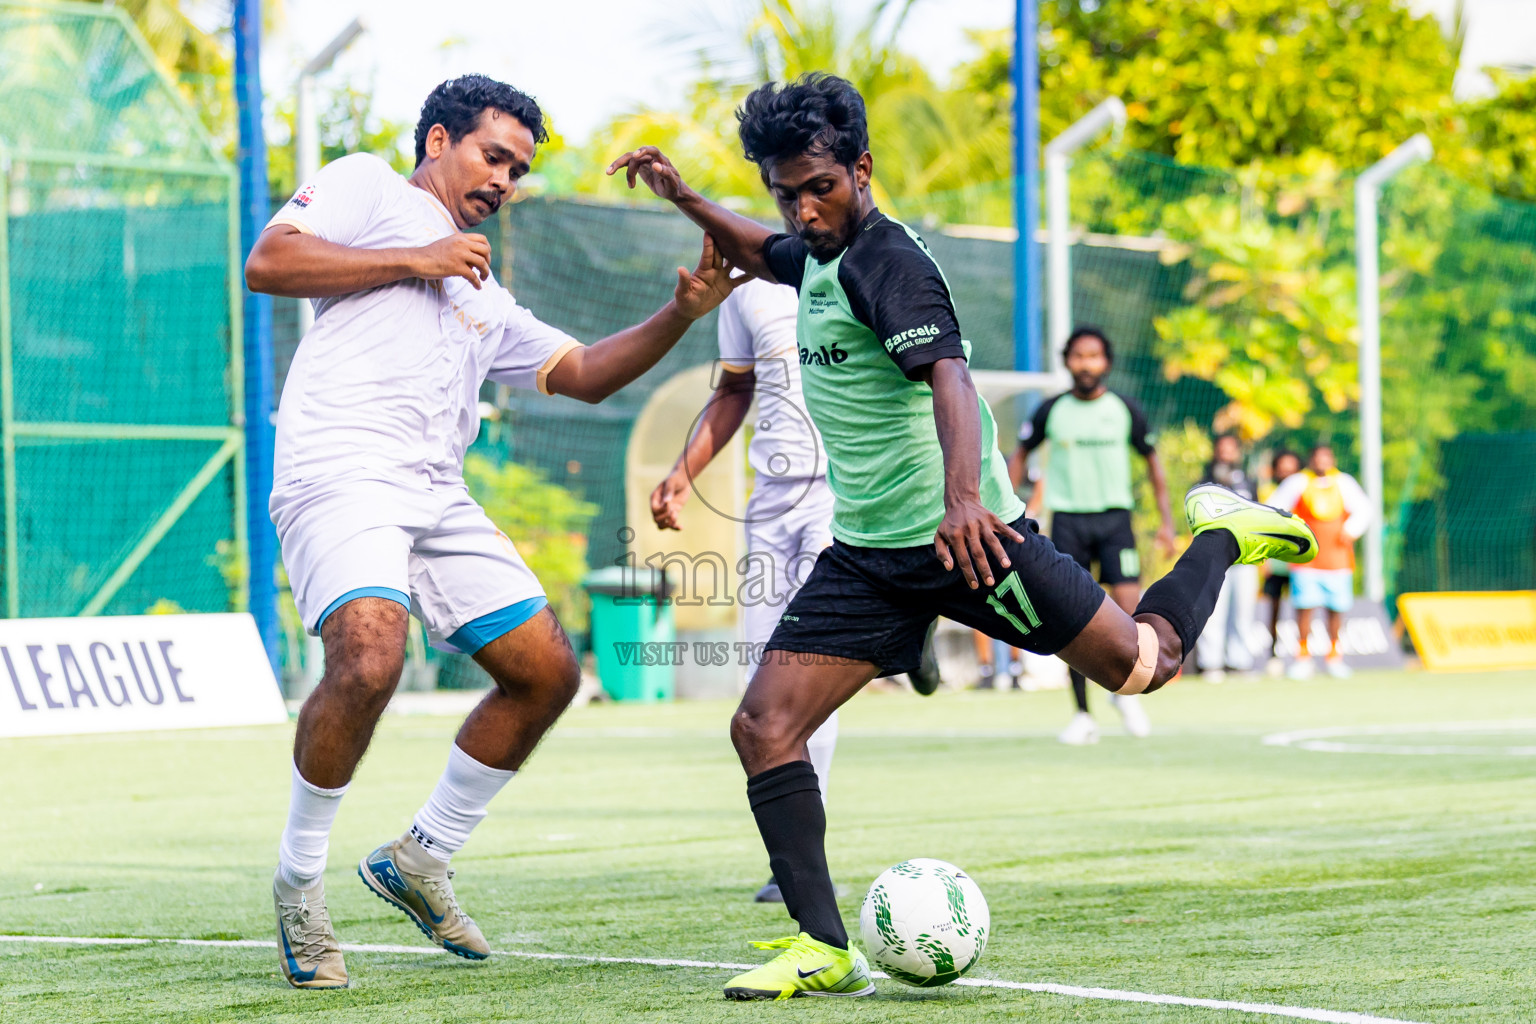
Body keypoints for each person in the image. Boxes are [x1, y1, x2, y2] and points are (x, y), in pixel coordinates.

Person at [608, 72, 1316, 1001]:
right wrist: (686, 197)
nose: (804, 210)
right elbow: (761, 249)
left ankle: (1222, 531)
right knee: (762, 727)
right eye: (787, 193)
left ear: (860, 169)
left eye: (820, 187)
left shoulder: (888, 262)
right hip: (866, 558)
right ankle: (822, 948)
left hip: (970, 541)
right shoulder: (813, 253)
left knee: (1143, 663)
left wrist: (959, 500)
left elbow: (946, 375)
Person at [244, 75, 741, 989]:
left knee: (548, 673)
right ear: (438, 141)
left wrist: (682, 313)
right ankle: (298, 883)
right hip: (339, 472)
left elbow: (583, 373)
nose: (504, 178)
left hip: (436, 494)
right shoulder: (367, 185)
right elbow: (269, 263)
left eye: (517, 168)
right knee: (369, 658)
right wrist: (417, 259)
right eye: (492, 155)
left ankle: (420, 857)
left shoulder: (483, 290)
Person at [648, 268, 843, 905]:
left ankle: (801, 861)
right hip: (768, 507)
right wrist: (683, 473)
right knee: (762, 684)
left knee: (809, 670)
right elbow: (734, 390)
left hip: (841, 497)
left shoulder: (867, 262)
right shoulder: (749, 289)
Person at [1012, 327, 1175, 743]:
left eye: (1094, 356)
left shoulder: (1124, 409)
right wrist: (1005, 510)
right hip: (1068, 521)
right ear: (1067, 361)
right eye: (1079, 356)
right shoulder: (1051, 411)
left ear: (1106, 362)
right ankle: (1083, 713)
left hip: (1115, 521)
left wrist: (1167, 522)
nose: (1086, 364)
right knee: (1072, 618)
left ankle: (1127, 691)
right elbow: (1020, 456)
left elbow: (1153, 464)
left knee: (1130, 608)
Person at [1269, 444, 1370, 680]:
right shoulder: (1297, 483)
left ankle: (1334, 657)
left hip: (1338, 559)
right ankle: (1303, 657)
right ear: (1311, 460)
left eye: (1326, 457)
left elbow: (1365, 509)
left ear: (1332, 459)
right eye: (1318, 457)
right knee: (1304, 608)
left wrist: (1351, 530)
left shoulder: (1344, 482)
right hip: (1306, 560)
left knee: (1336, 609)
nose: (1322, 461)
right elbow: (1274, 508)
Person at [1194, 434, 1260, 681]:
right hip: (1215, 557)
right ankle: (1211, 663)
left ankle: (1240, 661)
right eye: (1222, 449)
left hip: (1245, 556)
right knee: (1214, 611)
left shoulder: (1248, 482)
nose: (1226, 454)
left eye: (1231, 449)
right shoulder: (1205, 483)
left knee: (1243, 612)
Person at [1260, 450, 1303, 676]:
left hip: (1299, 561)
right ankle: (1272, 654)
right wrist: (1264, 559)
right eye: (1282, 467)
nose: (1287, 472)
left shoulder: (1304, 489)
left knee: (1302, 608)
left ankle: (1300, 656)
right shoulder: (1268, 491)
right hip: (1276, 560)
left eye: (1291, 467)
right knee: (1273, 609)